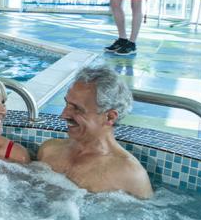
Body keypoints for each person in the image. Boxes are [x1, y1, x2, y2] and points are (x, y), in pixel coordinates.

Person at [37, 67, 153, 199]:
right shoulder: (49, 150)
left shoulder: (130, 175)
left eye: (77, 109)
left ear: (110, 117)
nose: (63, 115)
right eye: (67, 104)